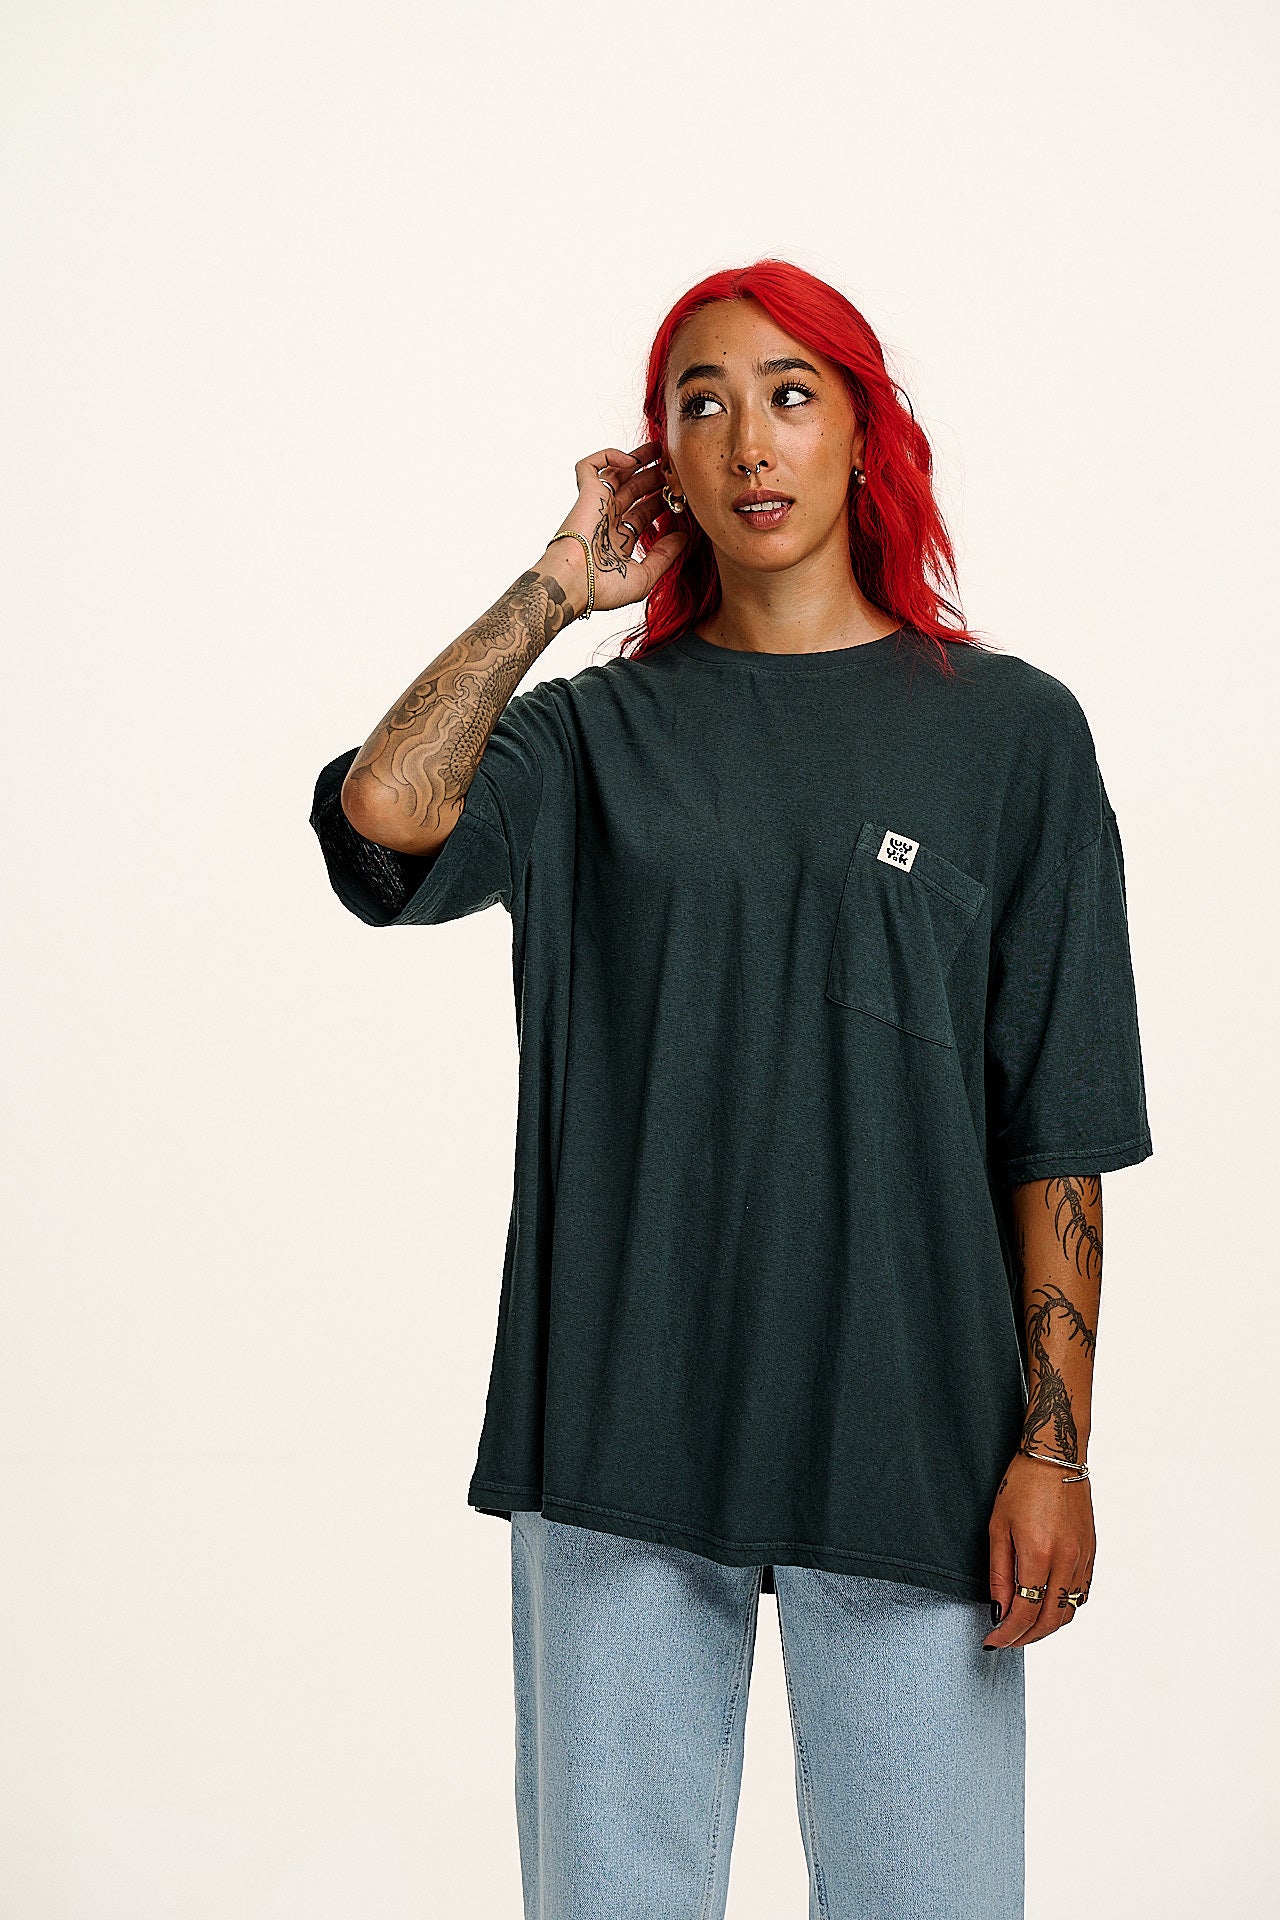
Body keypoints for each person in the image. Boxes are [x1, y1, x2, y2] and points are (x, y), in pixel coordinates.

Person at [308, 258, 1152, 1919]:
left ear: (865, 435)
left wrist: (1055, 1450)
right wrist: (556, 585)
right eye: (702, 404)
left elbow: (1055, 1121)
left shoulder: (1010, 736)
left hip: (911, 1430)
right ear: (663, 463)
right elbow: (388, 813)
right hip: (621, 1416)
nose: (750, 440)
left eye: (790, 394)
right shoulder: (589, 739)